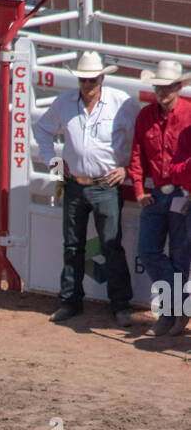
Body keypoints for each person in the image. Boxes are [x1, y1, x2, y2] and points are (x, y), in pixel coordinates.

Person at [33, 50, 138, 326]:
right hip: (75, 184)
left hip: (105, 184)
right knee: (73, 245)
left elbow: (139, 139)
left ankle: (120, 304)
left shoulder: (122, 103)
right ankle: (70, 301)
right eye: (83, 80)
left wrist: (126, 168)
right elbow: (41, 129)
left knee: (111, 245)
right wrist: (55, 165)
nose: (87, 85)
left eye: (92, 80)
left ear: (101, 79)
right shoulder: (65, 103)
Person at [128, 60, 191, 337]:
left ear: (178, 87)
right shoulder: (145, 116)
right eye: (159, 87)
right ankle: (178, 307)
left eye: (167, 87)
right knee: (148, 250)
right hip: (157, 193)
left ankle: (169, 314)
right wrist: (139, 189)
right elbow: (138, 154)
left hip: (183, 193)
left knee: (179, 256)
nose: (163, 92)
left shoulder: (189, 114)